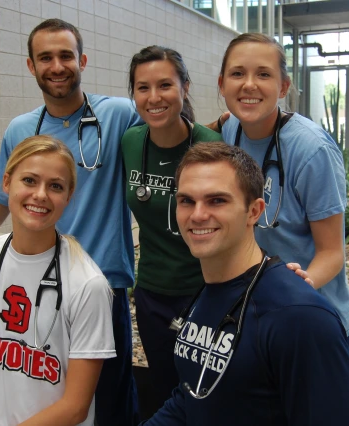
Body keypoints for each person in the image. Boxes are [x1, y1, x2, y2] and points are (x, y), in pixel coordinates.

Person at [0, 18, 140, 426]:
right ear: (31, 66)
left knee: (107, 405)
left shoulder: (120, 115)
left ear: (83, 61)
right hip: (33, 284)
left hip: (100, 286)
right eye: (46, 58)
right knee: (33, 382)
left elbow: (170, 130)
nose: (57, 66)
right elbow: (0, 197)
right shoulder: (21, 129)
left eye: (65, 56)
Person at [142, 142, 349, 425]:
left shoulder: (300, 317)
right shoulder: (208, 294)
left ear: (254, 211)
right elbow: (190, 400)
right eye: (186, 201)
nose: (197, 215)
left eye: (217, 200)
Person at [0, 135, 115, 426]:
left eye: (55, 186)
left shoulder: (87, 284)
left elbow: (75, 407)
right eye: (29, 180)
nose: (41, 195)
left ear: (69, 197)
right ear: (6, 183)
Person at [218, 33, 349, 340]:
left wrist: (297, 285)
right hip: (251, 312)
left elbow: (332, 252)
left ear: (283, 87)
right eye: (237, 73)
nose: (249, 84)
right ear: (222, 84)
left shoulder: (311, 149)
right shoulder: (228, 131)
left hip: (308, 311)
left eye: (263, 74)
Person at [121, 46, 223, 408]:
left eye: (165, 85)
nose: (154, 97)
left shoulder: (212, 148)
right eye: (142, 87)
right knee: (166, 388)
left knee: (207, 391)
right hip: (151, 292)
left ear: (185, 87)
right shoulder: (130, 142)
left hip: (206, 292)